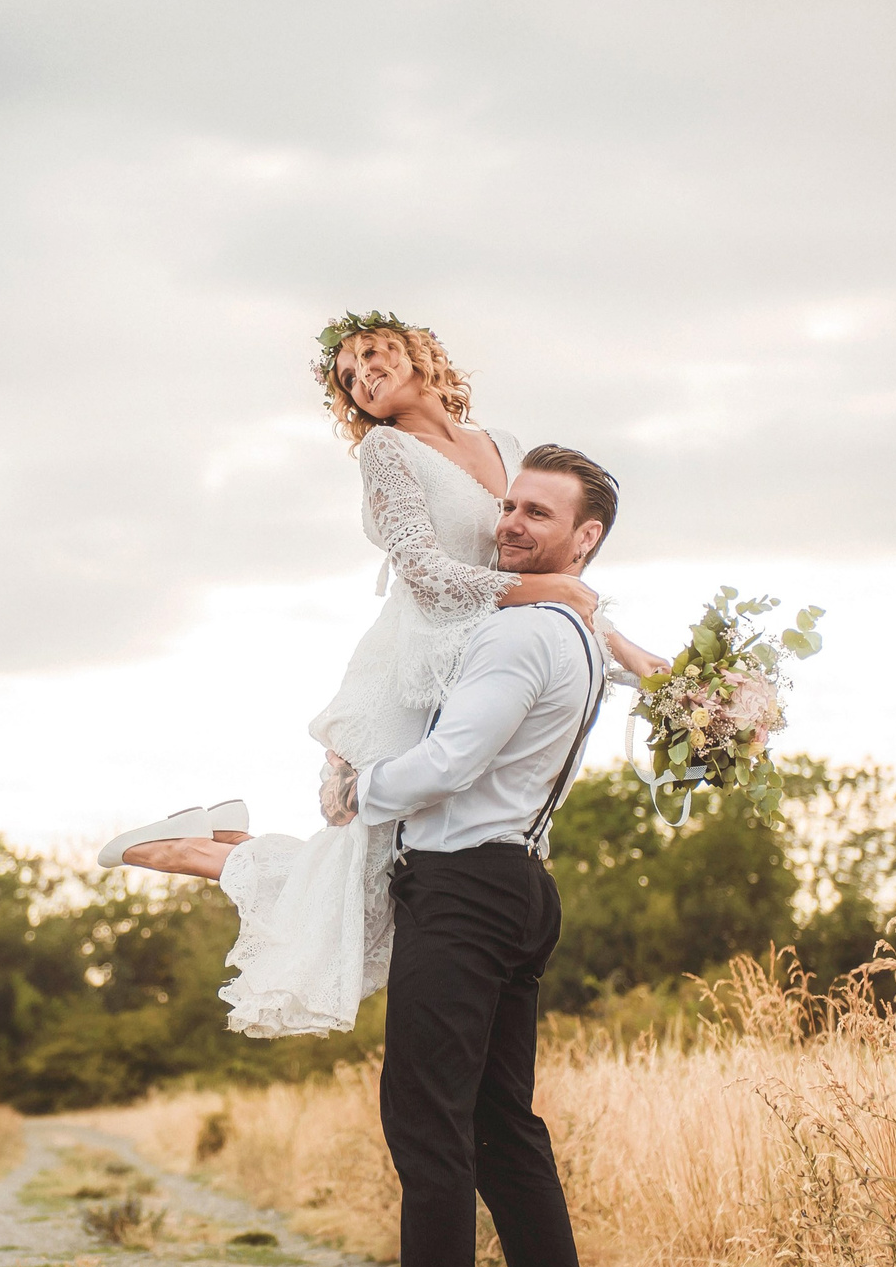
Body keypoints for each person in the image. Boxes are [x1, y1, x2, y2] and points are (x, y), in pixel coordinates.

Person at [98, 314, 663, 1039]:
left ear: (417, 353)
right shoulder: (387, 452)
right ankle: (174, 849)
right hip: (411, 672)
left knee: (366, 875)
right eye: (349, 378)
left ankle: (209, 836)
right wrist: (551, 597)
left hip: (484, 665)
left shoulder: (508, 446)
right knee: (361, 878)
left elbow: (547, 572)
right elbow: (426, 575)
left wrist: (629, 652)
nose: (362, 375)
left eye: (371, 354)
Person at [278, 446, 622, 1267]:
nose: (511, 523)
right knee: (503, 1125)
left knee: (426, 1119)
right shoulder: (579, 635)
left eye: (538, 514)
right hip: (520, 879)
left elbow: (453, 758)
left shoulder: (521, 637)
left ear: (582, 538)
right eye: (509, 505)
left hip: (466, 882)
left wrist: (357, 790)